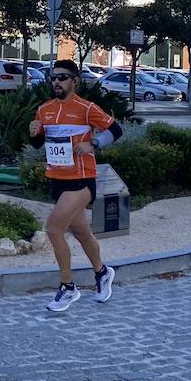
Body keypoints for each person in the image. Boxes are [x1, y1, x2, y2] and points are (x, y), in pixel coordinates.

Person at [27, 59, 125, 312]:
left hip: (82, 179)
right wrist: (35, 132)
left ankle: (68, 287)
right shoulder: (44, 109)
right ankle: (102, 273)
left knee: (53, 229)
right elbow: (40, 144)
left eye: (62, 77)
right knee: (81, 232)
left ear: (75, 81)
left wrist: (93, 144)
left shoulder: (86, 108)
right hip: (57, 178)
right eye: (53, 78)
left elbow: (115, 129)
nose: (56, 82)